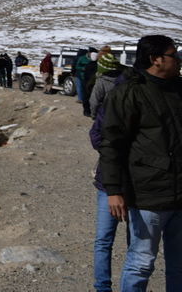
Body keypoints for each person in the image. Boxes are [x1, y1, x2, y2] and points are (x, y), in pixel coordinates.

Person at [99, 35, 182, 291]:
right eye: (174, 56)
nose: (178, 61)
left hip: (180, 193)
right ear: (155, 59)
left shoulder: (179, 89)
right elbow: (112, 144)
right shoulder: (129, 92)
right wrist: (113, 190)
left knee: (179, 265)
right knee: (141, 263)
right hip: (148, 195)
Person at [90, 66, 129, 292]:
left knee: (134, 244)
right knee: (105, 239)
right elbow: (96, 136)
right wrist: (112, 149)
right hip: (109, 182)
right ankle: (102, 287)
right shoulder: (113, 102)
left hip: (136, 183)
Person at [88, 46, 121, 118]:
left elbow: (94, 101)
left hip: (106, 115)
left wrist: (93, 115)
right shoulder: (123, 77)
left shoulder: (101, 81)